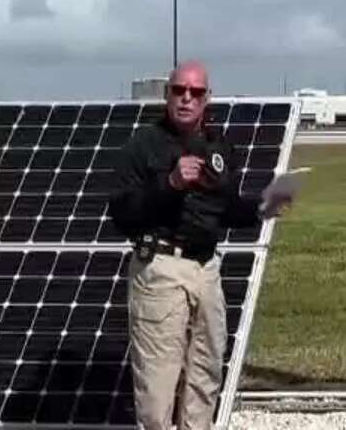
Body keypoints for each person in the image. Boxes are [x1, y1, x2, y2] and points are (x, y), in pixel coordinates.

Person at [106, 61, 296, 430]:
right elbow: (122, 214)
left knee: (204, 379)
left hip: (207, 270)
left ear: (208, 98)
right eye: (179, 91)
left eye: (195, 92)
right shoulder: (142, 146)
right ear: (167, 95)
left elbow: (222, 209)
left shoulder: (218, 146)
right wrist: (170, 184)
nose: (186, 99)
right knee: (158, 391)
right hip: (161, 268)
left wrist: (263, 207)